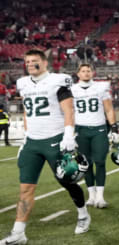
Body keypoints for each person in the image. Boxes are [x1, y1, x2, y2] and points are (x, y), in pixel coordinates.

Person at [0, 49, 90, 244]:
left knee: (67, 182)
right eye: (27, 61)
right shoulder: (22, 83)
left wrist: (68, 135)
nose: (30, 64)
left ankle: (83, 214)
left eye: (34, 61)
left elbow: (69, 110)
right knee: (25, 189)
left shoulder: (58, 80)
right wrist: (26, 136)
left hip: (55, 139)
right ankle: (19, 233)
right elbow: (26, 111)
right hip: (32, 142)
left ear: (45, 62)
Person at [71, 63, 119, 209]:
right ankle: (91, 196)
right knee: (86, 164)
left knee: (100, 161)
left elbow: (109, 109)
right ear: (78, 74)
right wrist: (69, 132)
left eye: (88, 70)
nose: (86, 73)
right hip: (80, 130)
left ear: (93, 73)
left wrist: (114, 129)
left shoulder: (101, 87)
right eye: (83, 71)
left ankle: (100, 196)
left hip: (98, 129)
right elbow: (69, 112)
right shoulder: (71, 89)